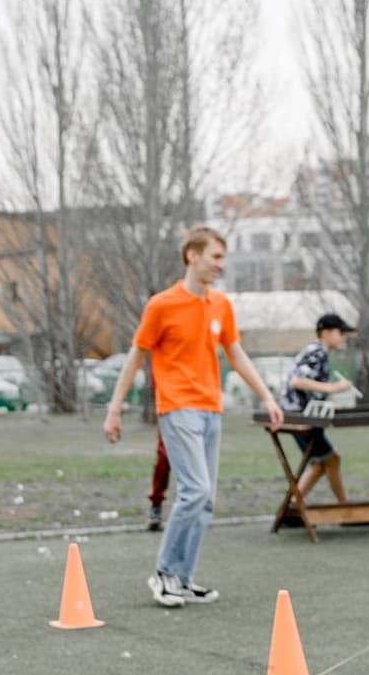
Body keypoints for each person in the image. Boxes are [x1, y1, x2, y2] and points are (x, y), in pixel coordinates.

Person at [103, 226, 285, 607]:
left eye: (222, 258)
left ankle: (183, 579)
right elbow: (135, 357)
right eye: (215, 257)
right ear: (192, 256)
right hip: (177, 408)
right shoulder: (161, 305)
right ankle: (164, 573)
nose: (220, 265)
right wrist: (114, 408)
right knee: (195, 490)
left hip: (210, 410)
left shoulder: (221, 305)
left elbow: (236, 355)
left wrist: (267, 396)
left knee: (206, 499)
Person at [279, 313, 359, 508]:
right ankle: (344, 508)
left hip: (300, 413)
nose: (344, 337)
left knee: (321, 462)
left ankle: (293, 505)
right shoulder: (317, 352)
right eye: (341, 332)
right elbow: (297, 381)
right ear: (326, 333)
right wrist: (334, 388)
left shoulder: (316, 352)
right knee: (330, 459)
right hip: (299, 416)